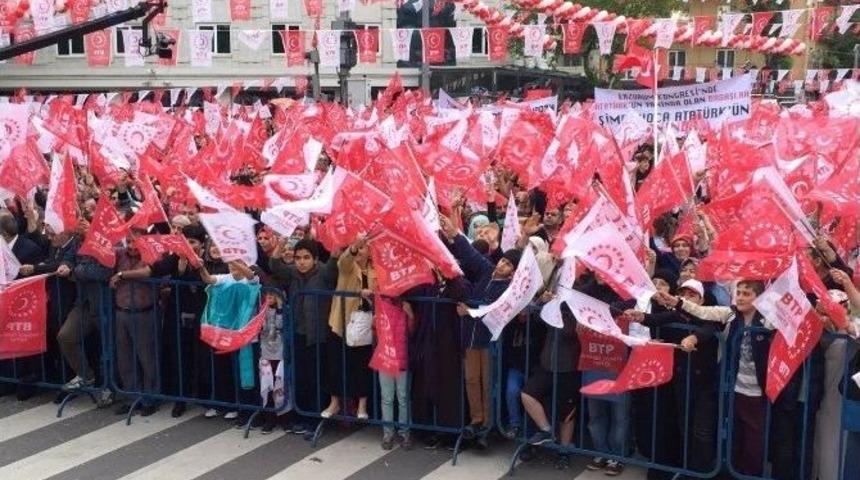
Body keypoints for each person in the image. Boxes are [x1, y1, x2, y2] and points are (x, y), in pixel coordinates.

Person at [655, 280, 772, 477]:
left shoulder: (769, 320)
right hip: (734, 388)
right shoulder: (731, 313)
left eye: (747, 294)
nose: (741, 297)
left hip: (758, 392)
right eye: (739, 293)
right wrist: (677, 302)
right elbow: (704, 312)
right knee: (734, 437)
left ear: (759, 298)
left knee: (754, 442)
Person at [441, 216, 518, 447]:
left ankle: (488, 426)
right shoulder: (487, 270)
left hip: (489, 341)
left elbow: (492, 308)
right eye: (503, 261)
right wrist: (455, 234)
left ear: (514, 273)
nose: (502, 265)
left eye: (508, 265)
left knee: (488, 383)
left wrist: (469, 310)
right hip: (470, 336)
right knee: (472, 380)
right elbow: (470, 255)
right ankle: (476, 420)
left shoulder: (509, 288)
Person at [269, 237, 337, 435]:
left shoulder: (324, 272)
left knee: (317, 378)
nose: (301, 262)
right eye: (298, 258)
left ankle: (317, 419)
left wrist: (335, 248)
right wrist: (280, 244)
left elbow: (334, 267)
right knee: (301, 378)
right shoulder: (293, 273)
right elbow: (274, 265)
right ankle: (302, 416)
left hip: (319, 336)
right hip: (298, 333)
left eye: (306, 257)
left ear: (315, 259)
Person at [322, 236, 376, 421]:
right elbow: (344, 261)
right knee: (336, 364)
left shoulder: (376, 272)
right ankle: (335, 402)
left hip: (365, 325)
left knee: (361, 364)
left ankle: (362, 405)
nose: (360, 251)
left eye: (363, 248)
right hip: (342, 322)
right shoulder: (348, 267)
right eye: (358, 249)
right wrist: (354, 246)